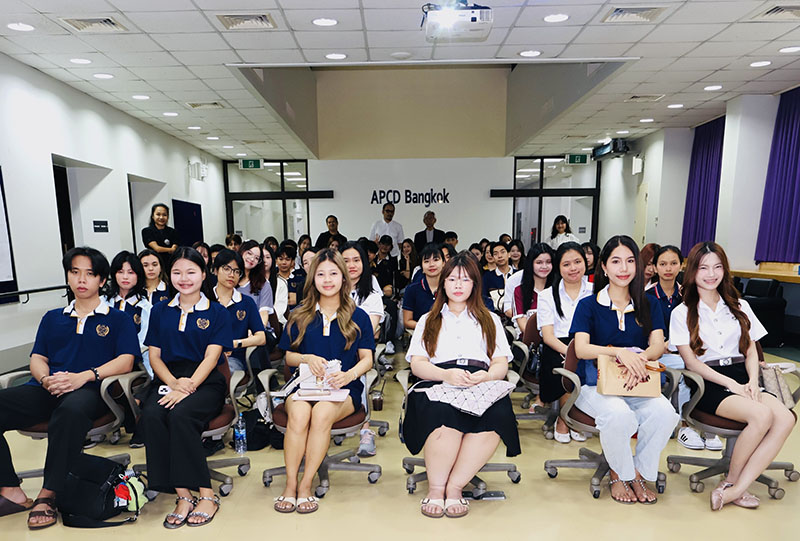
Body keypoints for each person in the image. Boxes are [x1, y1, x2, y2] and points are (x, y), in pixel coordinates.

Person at [0, 247, 138, 529]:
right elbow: (38, 357)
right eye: (75, 272)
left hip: (92, 391)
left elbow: (126, 360)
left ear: (102, 280)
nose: (81, 279)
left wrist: (84, 376)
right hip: (49, 388)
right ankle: (10, 488)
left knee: (69, 412)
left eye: (89, 274)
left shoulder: (117, 318)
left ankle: (48, 493)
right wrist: (45, 379)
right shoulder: (53, 317)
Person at [670, 242, 796, 511]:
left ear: (725, 270)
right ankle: (731, 483)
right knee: (762, 415)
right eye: (703, 268)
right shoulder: (681, 313)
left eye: (717, 267)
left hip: (743, 375)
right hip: (709, 382)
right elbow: (691, 362)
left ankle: (736, 488)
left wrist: (752, 381)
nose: (711, 274)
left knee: (786, 418)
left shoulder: (740, 306)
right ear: (692, 272)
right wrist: (731, 384)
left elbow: (751, 351)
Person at [404, 253, 519, 519]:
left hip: (479, 380)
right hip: (438, 379)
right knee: (442, 415)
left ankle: (454, 487)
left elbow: (500, 364)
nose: (458, 285)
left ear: (475, 284)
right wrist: (445, 375)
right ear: (443, 283)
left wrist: (487, 377)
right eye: (453, 279)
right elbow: (418, 365)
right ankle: (436, 489)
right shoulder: (428, 320)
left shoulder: (490, 319)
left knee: (498, 415)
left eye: (465, 280)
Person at [570, 235, 678, 504]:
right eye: (616, 261)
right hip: (595, 385)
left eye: (630, 261)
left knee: (665, 413)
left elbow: (657, 345)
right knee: (618, 415)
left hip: (638, 382)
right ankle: (619, 474)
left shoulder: (648, 303)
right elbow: (581, 348)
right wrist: (619, 353)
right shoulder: (589, 304)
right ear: (604, 267)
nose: (624, 268)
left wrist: (639, 359)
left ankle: (638, 473)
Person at [274, 249, 375, 514]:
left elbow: (367, 359)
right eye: (320, 274)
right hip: (304, 386)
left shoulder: (358, 316)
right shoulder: (299, 314)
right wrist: (306, 358)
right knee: (299, 415)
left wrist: (349, 375)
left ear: (343, 277)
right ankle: (290, 484)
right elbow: (288, 357)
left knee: (320, 414)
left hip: (344, 388)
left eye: (333, 273)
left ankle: (306, 485)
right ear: (312, 278)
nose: (327, 280)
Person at [140, 247, 233, 528]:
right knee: (152, 414)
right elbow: (154, 357)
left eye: (191, 272)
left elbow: (212, 358)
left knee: (181, 415)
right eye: (177, 272)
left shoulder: (217, 312)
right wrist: (172, 383)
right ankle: (183, 495)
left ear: (203, 274)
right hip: (169, 379)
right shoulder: (160, 311)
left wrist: (187, 387)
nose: (184, 278)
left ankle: (206, 494)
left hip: (205, 382)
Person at [646, 245, 712, 450]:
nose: (668, 268)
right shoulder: (646, 296)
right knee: (687, 369)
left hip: (684, 350)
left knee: (708, 365)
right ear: (655, 267)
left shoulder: (689, 294)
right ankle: (685, 424)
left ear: (681, 265)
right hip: (656, 354)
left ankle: (707, 424)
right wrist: (661, 344)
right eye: (663, 264)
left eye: (673, 263)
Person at [536, 242, 593, 443]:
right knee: (568, 368)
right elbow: (548, 336)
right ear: (558, 267)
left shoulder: (596, 291)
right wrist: (572, 353)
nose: (573, 268)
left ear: (585, 263)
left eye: (577, 262)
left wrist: (584, 350)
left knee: (590, 366)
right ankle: (565, 419)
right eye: (566, 264)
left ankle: (576, 418)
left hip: (589, 344)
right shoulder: (547, 295)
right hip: (558, 346)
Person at [341, 241, 386, 457]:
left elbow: (368, 331)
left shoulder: (372, 295)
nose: (351, 265)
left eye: (356, 260)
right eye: (346, 260)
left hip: (359, 352)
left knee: (358, 369)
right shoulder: (329, 290)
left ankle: (365, 430)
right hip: (329, 352)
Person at [211, 249, 266, 373]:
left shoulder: (246, 302)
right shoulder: (205, 300)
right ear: (215, 270)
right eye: (227, 269)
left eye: (237, 271)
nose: (232, 275)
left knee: (223, 371)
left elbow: (261, 337)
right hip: (205, 356)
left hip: (233, 359)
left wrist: (235, 343)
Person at [105, 251, 152, 375]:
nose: (125, 277)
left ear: (138, 275)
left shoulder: (145, 308)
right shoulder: (103, 303)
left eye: (131, 272)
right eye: (120, 272)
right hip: (101, 360)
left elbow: (144, 343)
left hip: (134, 365)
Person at [512, 243, 554, 335]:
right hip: (530, 340)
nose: (544, 266)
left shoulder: (557, 290)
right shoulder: (520, 291)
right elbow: (523, 326)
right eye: (539, 262)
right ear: (530, 264)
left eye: (548, 262)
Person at [403, 244, 445, 331]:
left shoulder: (450, 288)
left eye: (436, 260)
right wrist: (428, 327)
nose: (431, 264)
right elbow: (407, 321)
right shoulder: (412, 289)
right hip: (421, 333)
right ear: (421, 267)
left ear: (443, 263)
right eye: (426, 261)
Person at [236, 240, 274, 328]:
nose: (252, 259)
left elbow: (263, 316)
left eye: (257, 258)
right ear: (241, 251)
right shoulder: (231, 279)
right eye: (249, 253)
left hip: (257, 330)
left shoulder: (263, 284)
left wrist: (255, 332)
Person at [482, 242, 514, 309]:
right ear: (493, 257)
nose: (499, 256)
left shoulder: (518, 275)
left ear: (509, 254)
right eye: (495, 254)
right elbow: (484, 298)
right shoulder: (487, 277)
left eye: (502, 252)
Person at [276, 242, 304, 311]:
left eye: (287, 259)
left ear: (292, 262)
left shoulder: (300, 280)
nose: (284, 262)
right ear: (276, 261)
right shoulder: (272, 279)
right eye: (281, 259)